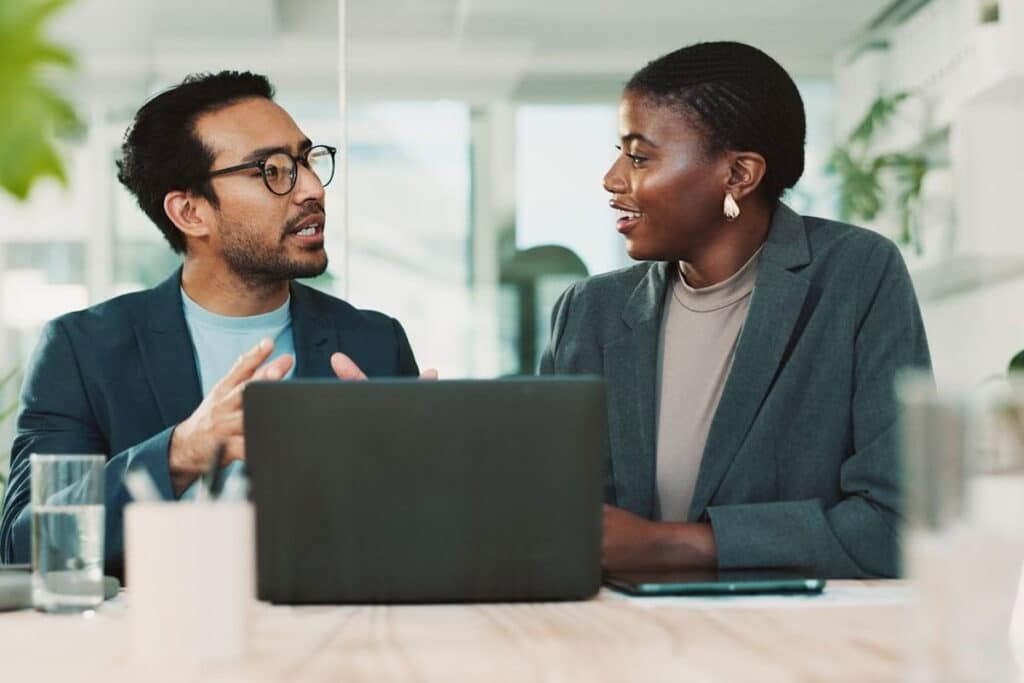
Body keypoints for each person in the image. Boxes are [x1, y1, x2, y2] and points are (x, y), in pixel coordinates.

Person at [0, 71, 432, 572]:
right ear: (190, 212)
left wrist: (416, 472)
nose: (311, 188)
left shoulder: (374, 343)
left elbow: (422, 543)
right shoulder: (82, 349)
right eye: (272, 170)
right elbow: (26, 544)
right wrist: (179, 453)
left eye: (307, 161)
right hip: (156, 639)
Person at [539, 42, 931, 578]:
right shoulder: (589, 311)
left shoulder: (856, 274)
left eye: (638, 156)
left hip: (796, 642)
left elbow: (897, 525)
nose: (612, 179)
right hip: (621, 640)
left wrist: (672, 546)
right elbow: (553, 518)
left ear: (739, 175)